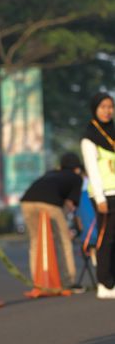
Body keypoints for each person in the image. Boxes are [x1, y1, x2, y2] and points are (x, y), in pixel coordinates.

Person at [20, 153, 83, 291]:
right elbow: (71, 204)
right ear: (77, 168)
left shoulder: (51, 173)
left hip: (27, 201)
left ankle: (38, 281)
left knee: (36, 240)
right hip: (49, 203)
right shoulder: (76, 178)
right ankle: (68, 281)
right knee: (63, 240)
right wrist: (72, 225)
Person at [81, 92, 115, 298]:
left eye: (110, 107)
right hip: (104, 195)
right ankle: (105, 284)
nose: (107, 111)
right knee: (107, 239)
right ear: (95, 109)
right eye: (103, 107)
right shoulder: (89, 138)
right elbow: (92, 169)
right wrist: (100, 198)